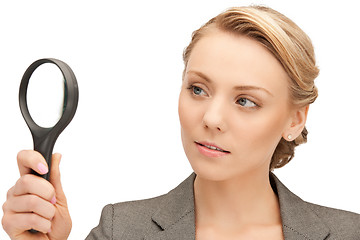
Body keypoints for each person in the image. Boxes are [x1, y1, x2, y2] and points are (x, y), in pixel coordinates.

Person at [2, 5, 360, 240]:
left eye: (246, 100)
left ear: (295, 120)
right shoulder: (121, 231)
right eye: (199, 89)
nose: (211, 118)